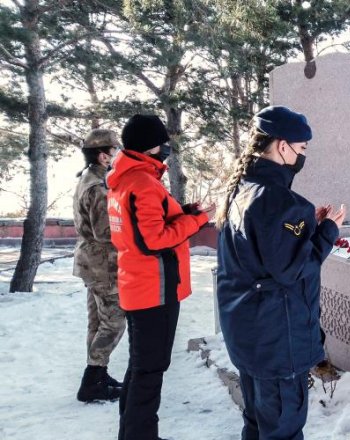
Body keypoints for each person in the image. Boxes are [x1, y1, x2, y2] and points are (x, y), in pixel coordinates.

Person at [215, 106, 345, 440]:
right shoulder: (281, 201)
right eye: (301, 149)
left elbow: (263, 254)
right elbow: (293, 270)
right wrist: (328, 231)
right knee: (282, 430)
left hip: (250, 335)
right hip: (277, 340)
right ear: (282, 146)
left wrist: (307, 227)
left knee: (258, 425)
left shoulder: (239, 191)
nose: (303, 157)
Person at [107, 114, 214, 440]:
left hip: (140, 286)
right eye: (162, 141)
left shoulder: (127, 180)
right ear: (149, 145)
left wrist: (188, 211)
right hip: (154, 290)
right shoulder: (141, 183)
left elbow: (152, 221)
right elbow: (154, 239)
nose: (166, 147)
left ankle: (133, 434)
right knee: (149, 370)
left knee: (141, 367)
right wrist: (198, 221)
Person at [73, 128, 126, 403]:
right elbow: (106, 233)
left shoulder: (89, 179)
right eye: (115, 150)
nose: (118, 155)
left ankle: (98, 375)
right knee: (114, 322)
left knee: (97, 321)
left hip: (90, 262)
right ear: (103, 156)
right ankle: (92, 378)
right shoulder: (98, 187)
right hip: (102, 264)